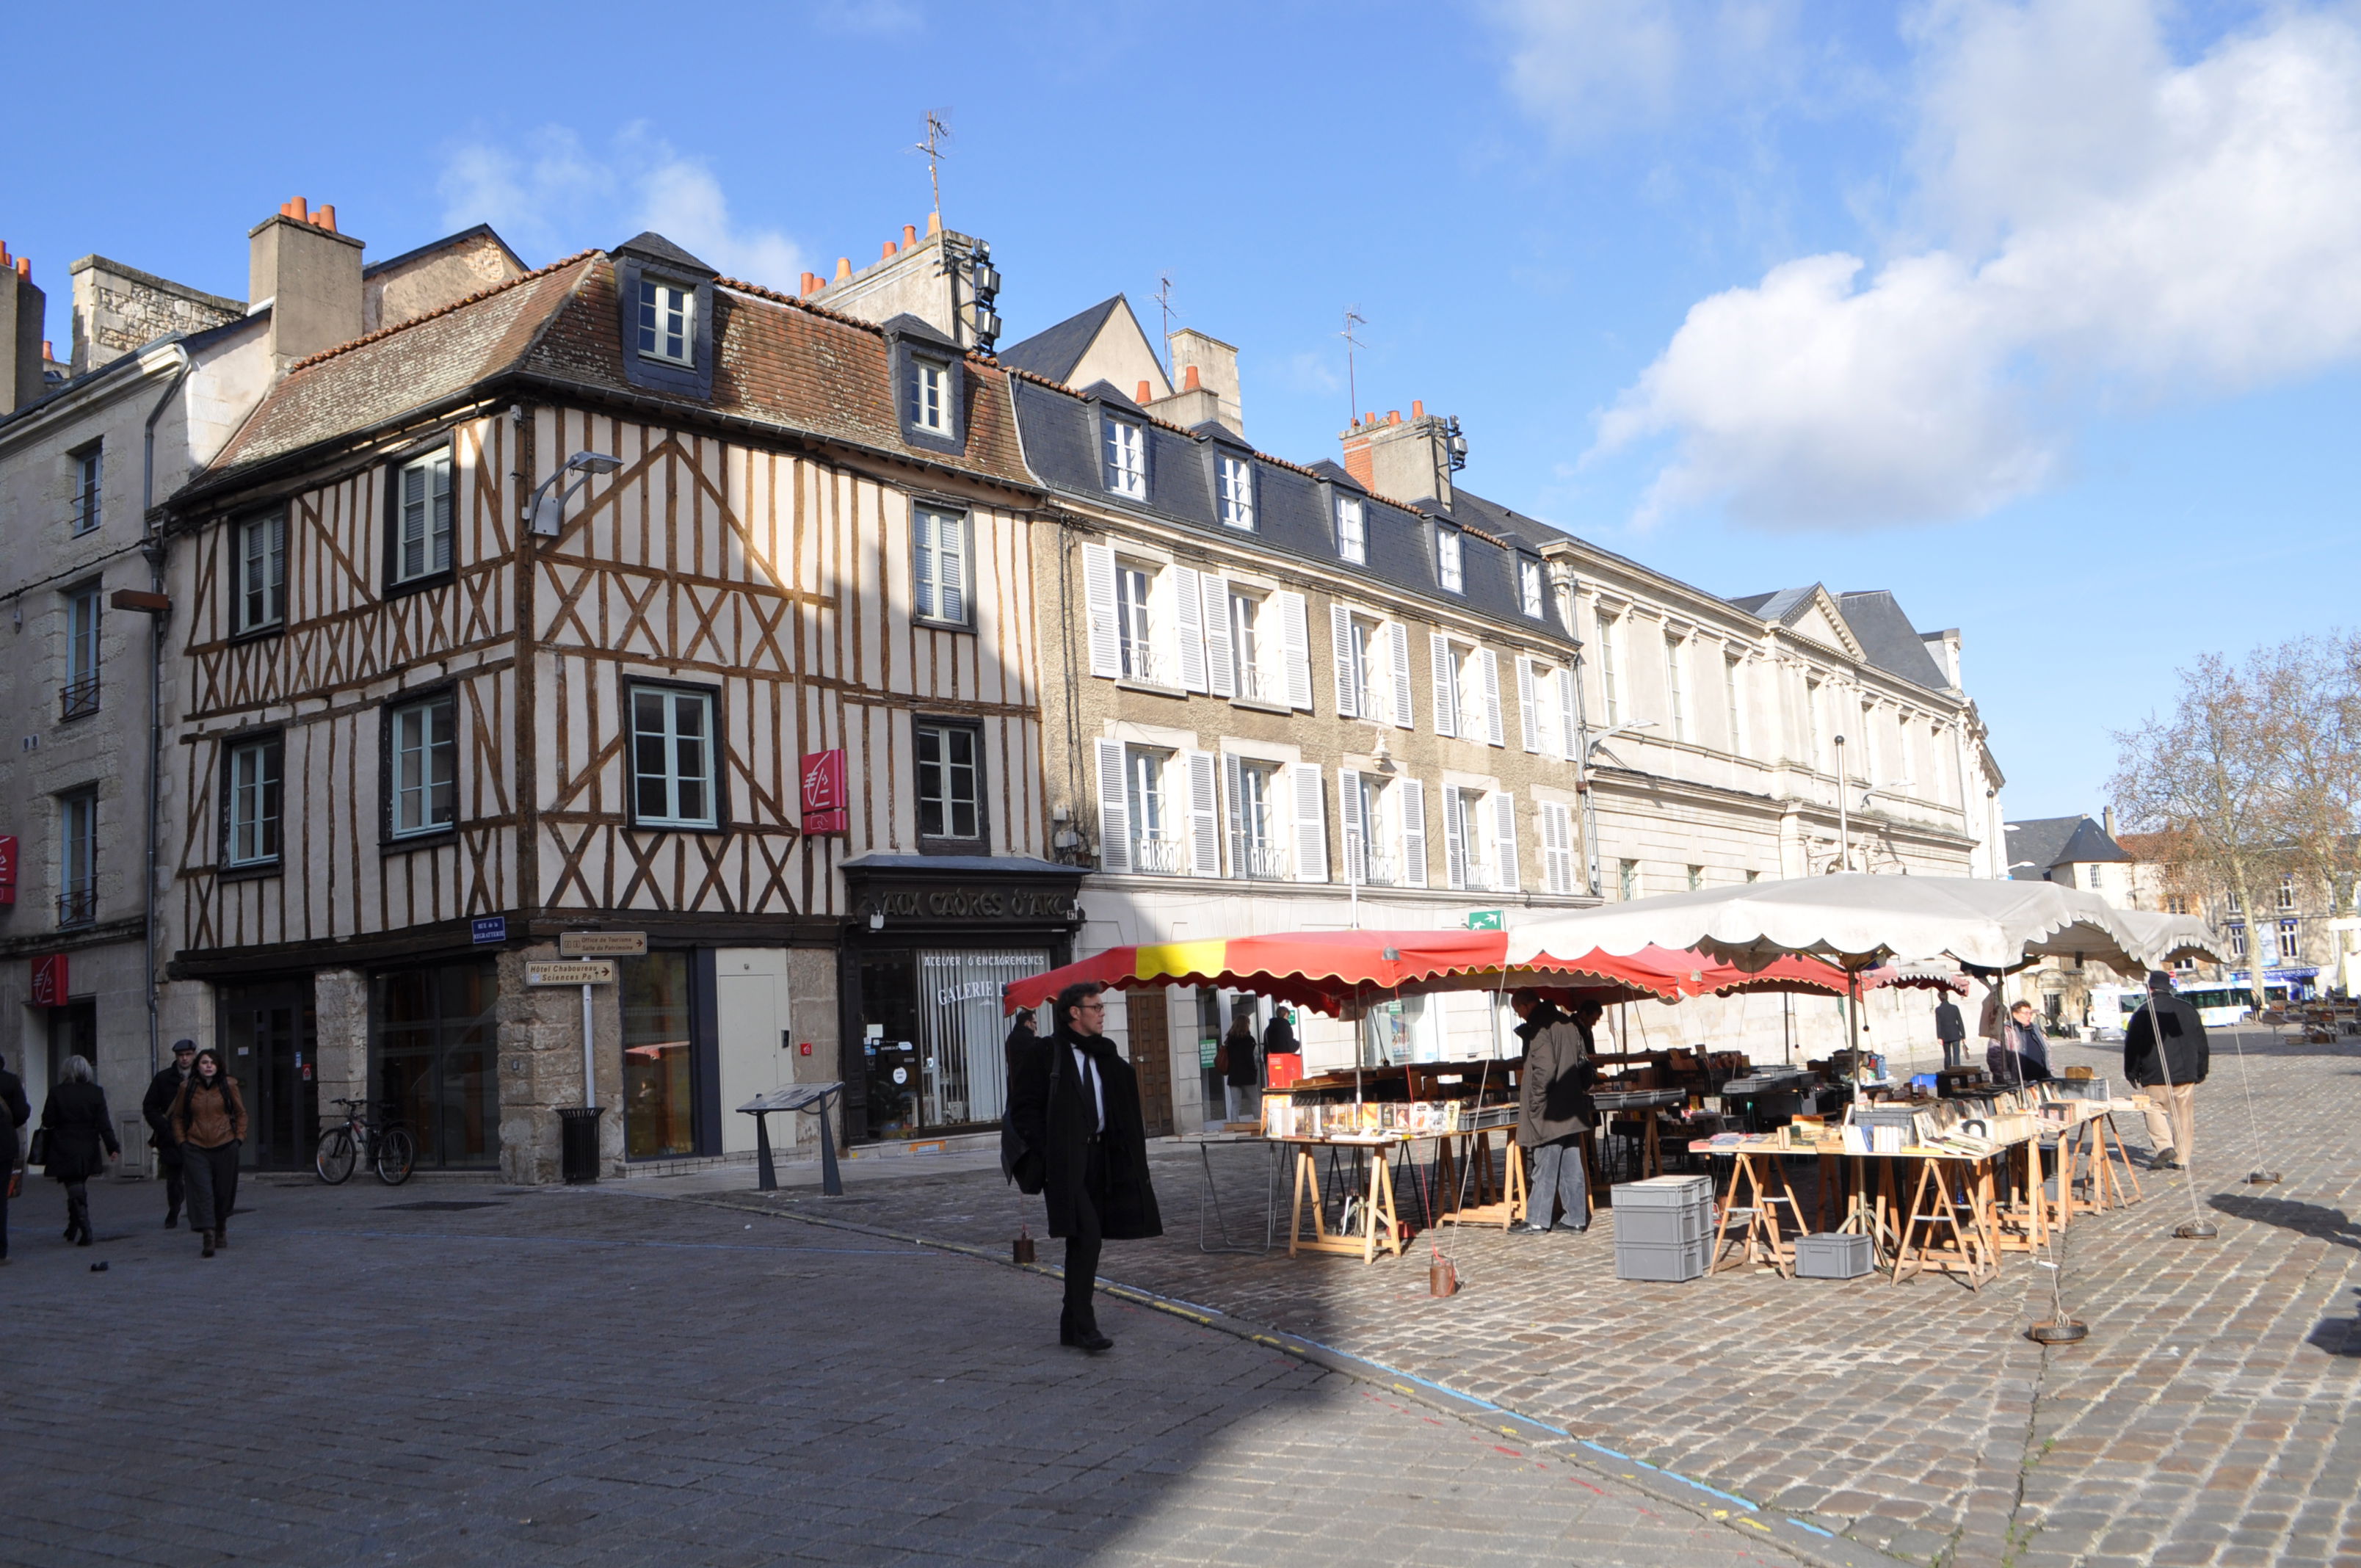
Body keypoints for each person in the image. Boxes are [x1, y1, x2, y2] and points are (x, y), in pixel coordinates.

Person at [1003, 981, 1163, 1352]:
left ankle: (1069, 1324)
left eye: (1102, 1007)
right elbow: (1023, 1108)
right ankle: (1086, 1324)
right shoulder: (1048, 1053)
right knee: (1087, 1236)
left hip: (1101, 1159)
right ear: (1075, 1013)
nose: (1102, 1013)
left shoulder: (1106, 1055)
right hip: (1065, 1163)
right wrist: (1047, 1149)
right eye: (1096, 1007)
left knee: (1082, 1239)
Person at [1509, 989, 1596, 1235]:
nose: (1520, 1017)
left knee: (1545, 1164)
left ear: (1525, 1006)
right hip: (1571, 1104)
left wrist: (1536, 1102)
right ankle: (1575, 1218)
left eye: (1518, 1011)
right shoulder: (1566, 1022)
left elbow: (1544, 1069)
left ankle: (1537, 1219)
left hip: (1551, 1108)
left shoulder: (1540, 1027)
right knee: (1570, 1164)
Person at [2124, 970, 2208, 1171]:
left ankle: (2164, 1146)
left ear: (2150, 989)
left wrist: (2131, 1071)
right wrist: (2201, 1070)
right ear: (2169, 988)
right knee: (2184, 1116)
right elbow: (2201, 1043)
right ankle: (2182, 1159)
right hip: (2185, 1073)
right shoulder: (2188, 1009)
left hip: (2155, 1074)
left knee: (2153, 1107)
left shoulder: (2144, 1011)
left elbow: (2133, 1045)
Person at [171, 1048, 247, 1258]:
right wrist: (182, 1142)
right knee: (203, 1192)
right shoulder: (186, 1088)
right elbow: (177, 1117)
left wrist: (238, 1138)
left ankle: (221, 1225)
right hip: (196, 1147)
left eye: (212, 1062)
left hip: (225, 1145)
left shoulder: (228, 1085)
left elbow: (241, 1113)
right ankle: (208, 1235)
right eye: (204, 1062)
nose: (208, 1066)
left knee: (223, 1192)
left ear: (218, 1065)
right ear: (198, 1066)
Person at [41, 1054, 119, 1246]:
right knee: (77, 1185)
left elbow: (47, 1120)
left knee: (73, 1186)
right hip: (88, 1145)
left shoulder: (57, 1092)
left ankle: (85, 1228)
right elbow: (104, 1123)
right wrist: (112, 1147)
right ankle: (73, 1226)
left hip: (64, 1145)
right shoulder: (96, 1092)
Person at [143, 1039, 197, 1228]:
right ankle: (174, 1209)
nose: (185, 1059)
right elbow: (149, 1106)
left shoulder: (202, 1078)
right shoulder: (163, 1079)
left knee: (197, 1176)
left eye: (188, 1055)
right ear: (176, 1057)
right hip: (171, 1136)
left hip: (197, 1135)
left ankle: (197, 1212)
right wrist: (163, 1128)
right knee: (174, 1179)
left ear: (194, 1055)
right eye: (181, 1055)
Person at [0, 1052, 29, 1264]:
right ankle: (1, 1251)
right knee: (1, 1198)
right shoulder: (10, 1081)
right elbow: (21, 1111)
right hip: (4, 1144)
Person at [1987, 1001, 2053, 1089]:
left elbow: (2047, 1052)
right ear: (2014, 1014)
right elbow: (1995, 1058)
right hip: (2017, 1083)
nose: (2029, 1016)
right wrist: (2006, 1080)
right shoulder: (2004, 1032)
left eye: (2030, 1013)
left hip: (2041, 1081)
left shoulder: (2036, 1030)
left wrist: (2050, 1072)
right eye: (2026, 1013)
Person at [1220, 1012, 1261, 1121]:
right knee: (1254, 1102)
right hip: (1247, 1075)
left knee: (1235, 1104)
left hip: (1234, 1075)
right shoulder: (1249, 1040)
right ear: (1246, 1025)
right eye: (1248, 1024)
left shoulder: (1230, 1040)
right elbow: (1250, 1059)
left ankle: (1234, 1127)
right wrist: (1254, 1071)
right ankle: (1260, 1124)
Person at [1934, 995, 1968, 1070]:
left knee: (1947, 1055)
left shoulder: (1938, 1010)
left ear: (1939, 998)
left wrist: (1939, 1037)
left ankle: (1947, 1071)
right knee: (1956, 1055)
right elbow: (1960, 1022)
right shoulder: (1954, 1008)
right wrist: (1963, 1035)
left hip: (1944, 1035)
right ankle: (1957, 1070)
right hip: (1955, 1034)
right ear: (1947, 997)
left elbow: (1938, 1024)